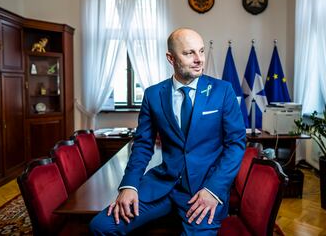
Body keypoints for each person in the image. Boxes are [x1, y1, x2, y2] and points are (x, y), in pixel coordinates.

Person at [90, 28, 246, 235]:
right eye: (189, 53)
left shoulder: (223, 90)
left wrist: (214, 190)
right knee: (101, 227)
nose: (199, 59)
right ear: (170, 58)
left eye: (201, 51)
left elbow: (236, 145)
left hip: (204, 191)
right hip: (161, 186)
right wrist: (128, 185)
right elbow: (143, 145)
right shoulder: (153, 95)